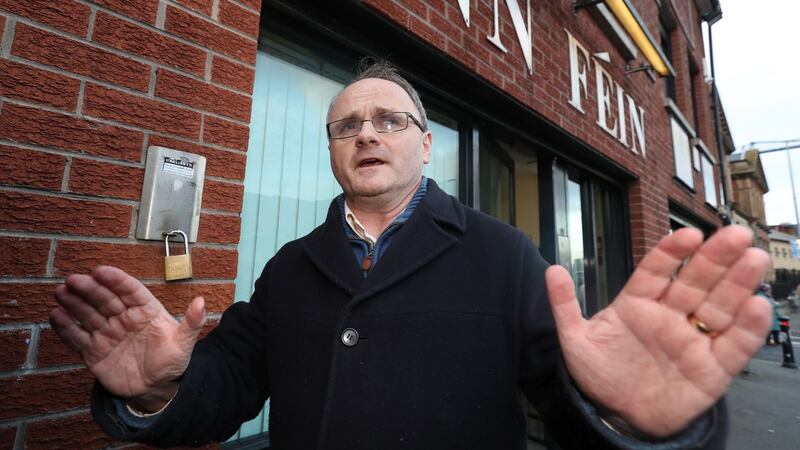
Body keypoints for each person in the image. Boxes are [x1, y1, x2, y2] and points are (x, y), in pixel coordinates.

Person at [50, 60, 771, 449]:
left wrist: (625, 419)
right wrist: (154, 389)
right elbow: (227, 389)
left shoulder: (505, 254)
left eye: (389, 120)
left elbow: (568, 402)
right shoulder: (288, 268)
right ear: (332, 149)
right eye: (347, 125)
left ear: (426, 145)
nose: (367, 134)